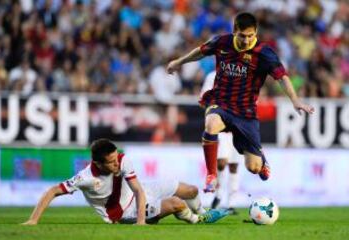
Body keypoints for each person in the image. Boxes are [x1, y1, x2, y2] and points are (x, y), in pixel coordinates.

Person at [167, 12, 314, 193]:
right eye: (242, 36)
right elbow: (201, 51)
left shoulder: (264, 53)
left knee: (253, 167)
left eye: (250, 36)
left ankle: (260, 158)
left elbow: (282, 77)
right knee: (211, 124)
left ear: (256, 32)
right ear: (235, 31)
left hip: (245, 112)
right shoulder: (222, 42)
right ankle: (211, 176)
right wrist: (179, 62)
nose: (246, 40)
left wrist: (295, 101)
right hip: (220, 101)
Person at [22, 139, 229, 225]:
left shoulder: (121, 160)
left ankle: (202, 212)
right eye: (110, 162)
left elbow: (138, 190)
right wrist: (33, 220)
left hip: (141, 194)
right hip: (124, 213)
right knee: (177, 203)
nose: (116, 164)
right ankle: (196, 220)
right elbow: (52, 191)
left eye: (115, 158)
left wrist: (142, 222)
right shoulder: (86, 178)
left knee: (191, 190)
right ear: (97, 163)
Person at [201, 71, 240, 213]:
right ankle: (218, 196)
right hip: (222, 126)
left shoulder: (243, 72)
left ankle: (231, 203)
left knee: (234, 165)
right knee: (222, 162)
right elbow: (204, 99)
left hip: (238, 127)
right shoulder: (212, 76)